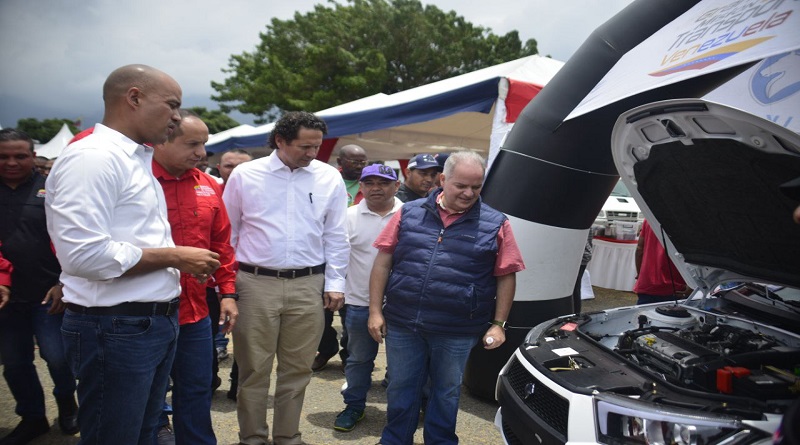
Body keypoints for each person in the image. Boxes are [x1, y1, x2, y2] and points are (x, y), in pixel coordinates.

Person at [44, 64, 221, 445]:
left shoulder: (132, 159)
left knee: (142, 433)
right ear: (134, 98)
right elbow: (83, 257)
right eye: (172, 105)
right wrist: (175, 257)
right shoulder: (93, 157)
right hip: (115, 327)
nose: (177, 117)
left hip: (145, 323)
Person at [368, 151, 525, 445]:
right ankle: (395, 440)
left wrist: (498, 324)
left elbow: (506, 274)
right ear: (443, 180)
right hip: (404, 322)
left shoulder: (496, 223)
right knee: (401, 387)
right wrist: (375, 311)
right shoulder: (409, 213)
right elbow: (383, 262)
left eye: (476, 187)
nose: (468, 193)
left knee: (446, 391)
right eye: (461, 186)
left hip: (457, 328)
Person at [223, 111, 349, 445]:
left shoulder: (328, 177)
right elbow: (229, 234)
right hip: (254, 283)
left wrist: (336, 283)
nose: (312, 154)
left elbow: (336, 235)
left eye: (317, 147)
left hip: (309, 285)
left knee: (297, 370)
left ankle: (287, 438)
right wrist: (227, 289)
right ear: (280, 141)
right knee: (253, 371)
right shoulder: (245, 175)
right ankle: (251, 438)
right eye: (304, 147)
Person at [152, 110, 238, 445]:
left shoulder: (207, 185)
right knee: (147, 390)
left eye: (204, 144)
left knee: (197, 387)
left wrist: (228, 292)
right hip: (146, 312)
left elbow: (221, 244)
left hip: (196, 312)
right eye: (193, 143)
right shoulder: (136, 181)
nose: (201, 153)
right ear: (162, 140)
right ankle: (158, 429)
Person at [0, 128, 78, 444]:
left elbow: (71, 237)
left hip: (50, 292)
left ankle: (66, 403)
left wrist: (64, 281)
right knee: (15, 362)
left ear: (34, 157)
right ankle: (33, 418)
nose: (12, 162)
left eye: (20, 156)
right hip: (6, 297)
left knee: (58, 357)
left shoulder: (51, 189)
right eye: (4, 157)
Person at [334, 164, 402, 432]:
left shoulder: (411, 215)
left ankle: (405, 410)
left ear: (397, 186)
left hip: (402, 306)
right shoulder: (347, 216)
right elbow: (337, 259)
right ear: (360, 186)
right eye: (369, 182)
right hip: (360, 303)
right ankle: (353, 406)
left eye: (383, 183)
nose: (376, 188)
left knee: (403, 364)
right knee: (359, 360)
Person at [313, 144, 368, 372]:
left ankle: (348, 353)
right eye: (354, 161)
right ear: (340, 161)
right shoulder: (325, 182)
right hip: (323, 256)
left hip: (356, 259)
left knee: (351, 311)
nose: (360, 165)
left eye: (363, 161)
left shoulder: (370, 184)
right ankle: (326, 348)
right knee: (320, 311)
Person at [633, 219, 691, 305]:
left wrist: (640, 274)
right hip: (675, 286)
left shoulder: (649, 219)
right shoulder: (682, 220)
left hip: (648, 283)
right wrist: (691, 284)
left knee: (645, 315)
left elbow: (639, 249)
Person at [572, 232, 594, 314]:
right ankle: (574, 315)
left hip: (578, 257)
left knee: (573, 289)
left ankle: (574, 317)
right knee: (574, 289)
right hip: (580, 255)